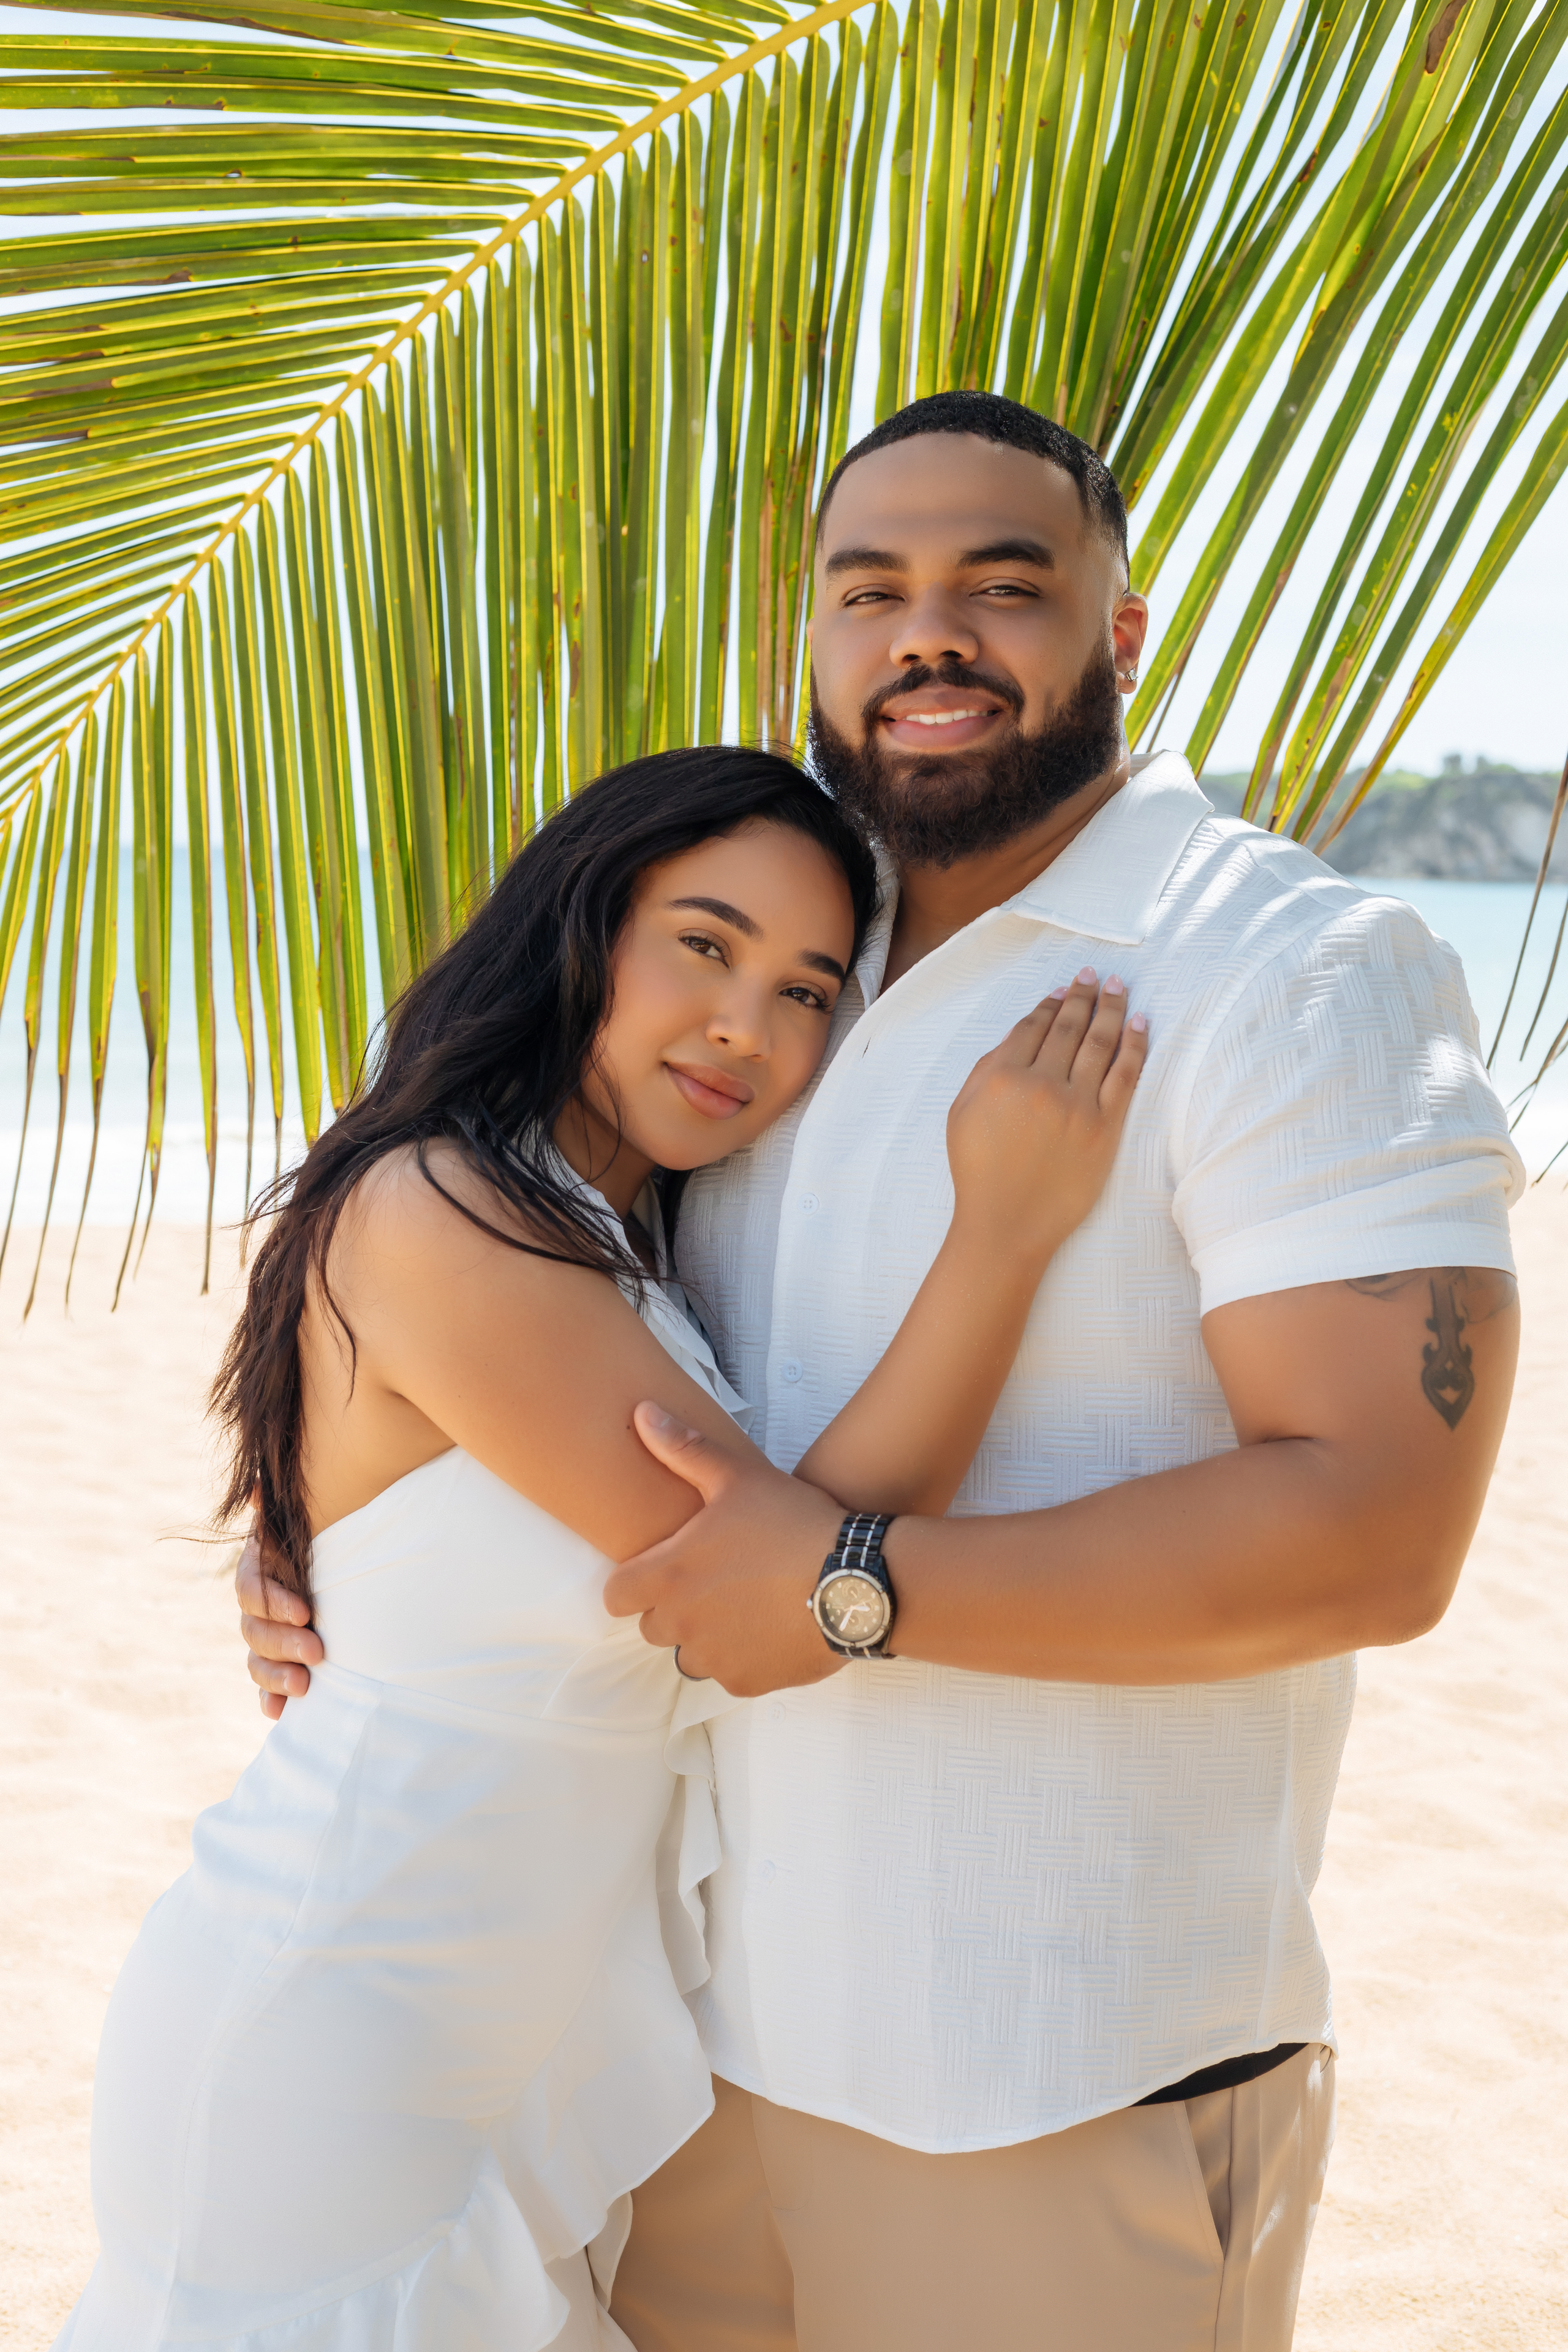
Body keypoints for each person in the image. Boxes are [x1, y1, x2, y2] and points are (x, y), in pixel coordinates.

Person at [243, 393, 1522, 2351]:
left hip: (1045, 2069)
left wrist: (850, 1587)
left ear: (1123, 630)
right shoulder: (782, 957)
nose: (934, 632)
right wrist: (345, 1554)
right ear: (811, 645)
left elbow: (1377, 1529)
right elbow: (525, 1297)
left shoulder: (1293, 971)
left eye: (1006, 584)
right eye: (876, 590)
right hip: (680, 2060)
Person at [61, 743, 1146, 2352]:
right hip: (338, 2031)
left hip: (486, 2048)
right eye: (703, 945)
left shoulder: (612, 1237)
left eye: (807, 991)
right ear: (584, 924)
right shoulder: (445, 1204)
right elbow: (766, 1575)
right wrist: (1003, 1232)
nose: (747, 1028)